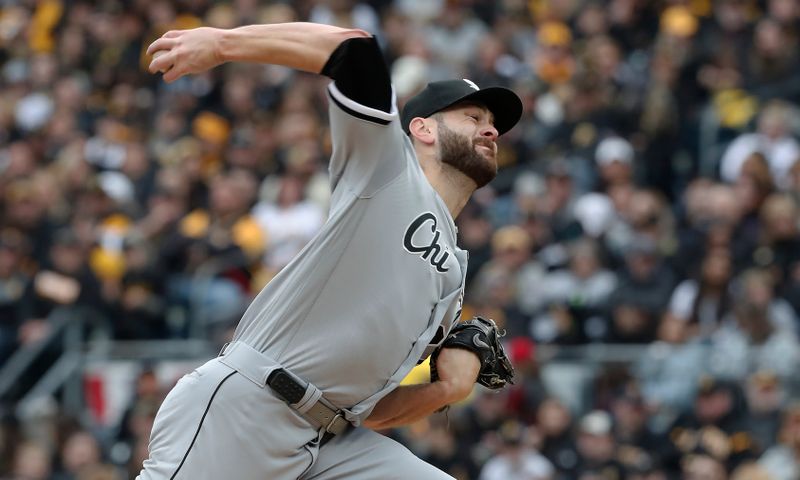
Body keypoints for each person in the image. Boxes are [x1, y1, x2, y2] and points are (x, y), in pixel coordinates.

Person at [138, 21, 522, 480]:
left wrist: (444, 390)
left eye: (493, 124)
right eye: (473, 117)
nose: (491, 130)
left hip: (332, 438)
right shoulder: (387, 171)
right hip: (250, 410)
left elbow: (376, 411)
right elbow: (355, 50)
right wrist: (221, 45)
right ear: (421, 129)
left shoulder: (454, 273)